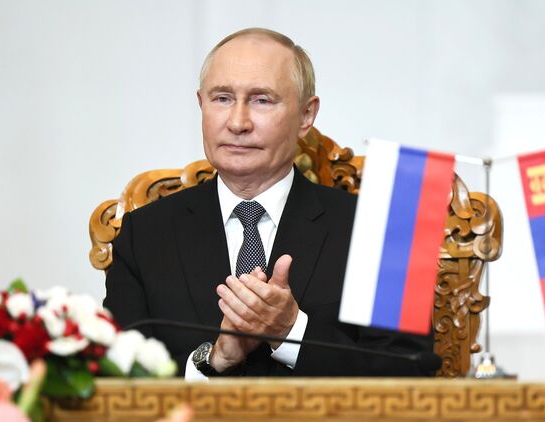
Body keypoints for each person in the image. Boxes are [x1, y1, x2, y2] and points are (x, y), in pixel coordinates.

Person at [103, 28, 436, 378]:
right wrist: (212, 360)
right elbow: (117, 379)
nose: (237, 123)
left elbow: (411, 373)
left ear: (306, 115)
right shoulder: (145, 235)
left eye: (262, 100)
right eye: (222, 99)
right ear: (201, 104)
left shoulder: (387, 231)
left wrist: (292, 332)